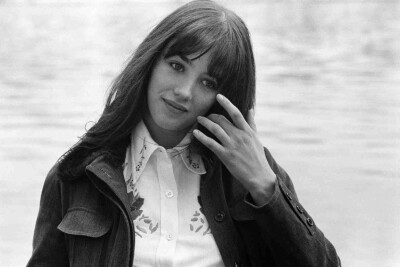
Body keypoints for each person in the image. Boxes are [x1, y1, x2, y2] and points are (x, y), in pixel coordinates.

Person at [27, 0, 340, 266]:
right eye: (177, 66)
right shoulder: (80, 175)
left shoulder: (250, 172)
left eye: (208, 83)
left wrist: (267, 189)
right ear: (150, 62)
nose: (184, 92)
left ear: (226, 94)